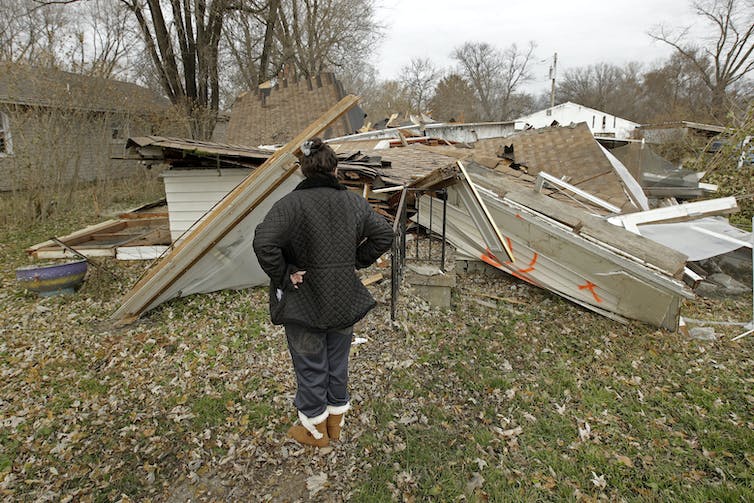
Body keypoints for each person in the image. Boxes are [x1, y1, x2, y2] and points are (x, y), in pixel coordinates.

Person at [253, 137, 393, 447]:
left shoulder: (290, 204)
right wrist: (356, 260)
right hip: (343, 299)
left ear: (303, 170)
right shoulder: (354, 203)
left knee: (310, 364)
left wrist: (285, 275)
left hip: (305, 303)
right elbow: (385, 233)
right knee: (337, 361)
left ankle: (315, 432)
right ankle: (334, 426)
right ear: (335, 169)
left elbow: (264, 242)